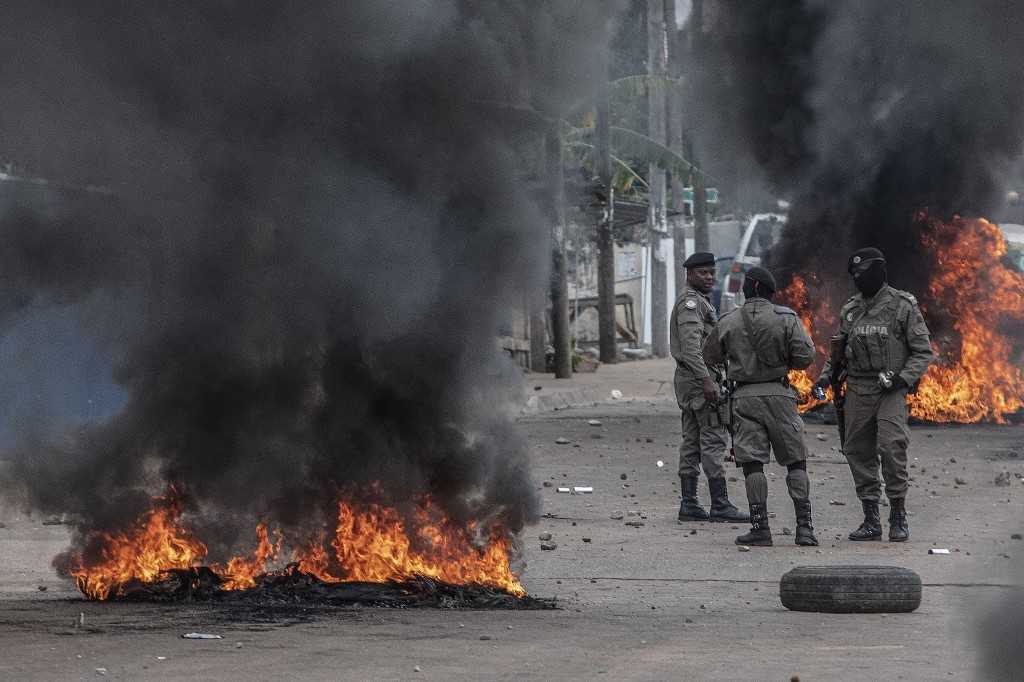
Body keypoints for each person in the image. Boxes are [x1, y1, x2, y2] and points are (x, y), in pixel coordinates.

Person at [813, 247, 933, 542]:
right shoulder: (851, 309)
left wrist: (902, 380)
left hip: (889, 389)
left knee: (892, 448)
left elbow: (922, 352)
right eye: (854, 274)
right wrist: (825, 379)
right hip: (857, 389)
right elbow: (837, 353)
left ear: (878, 271)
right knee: (857, 451)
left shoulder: (902, 306)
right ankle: (871, 519)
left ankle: (898, 515)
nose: (857, 279)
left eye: (862, 272)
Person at [703, 266, 818, 547]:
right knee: (795, 460)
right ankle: (805, 529)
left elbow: (709, 354)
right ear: (768, 290)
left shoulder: (730, 320)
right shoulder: (786, 318)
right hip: (780, 396)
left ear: (750, 288)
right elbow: (805, 357)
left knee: (752, 464)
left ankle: (760, 528)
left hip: (744, 399)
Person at [670, 252, 748, 523]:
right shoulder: (691, 303)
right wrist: (707, 381)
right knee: (713, 438)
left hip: (690, 380)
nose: (710, 277)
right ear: (689, 274)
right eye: (703, 273)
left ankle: (689, 503)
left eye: (712, 272)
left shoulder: (698, 302)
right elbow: (692, 349)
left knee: (691, 441)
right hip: (699, 380)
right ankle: (720, 504)